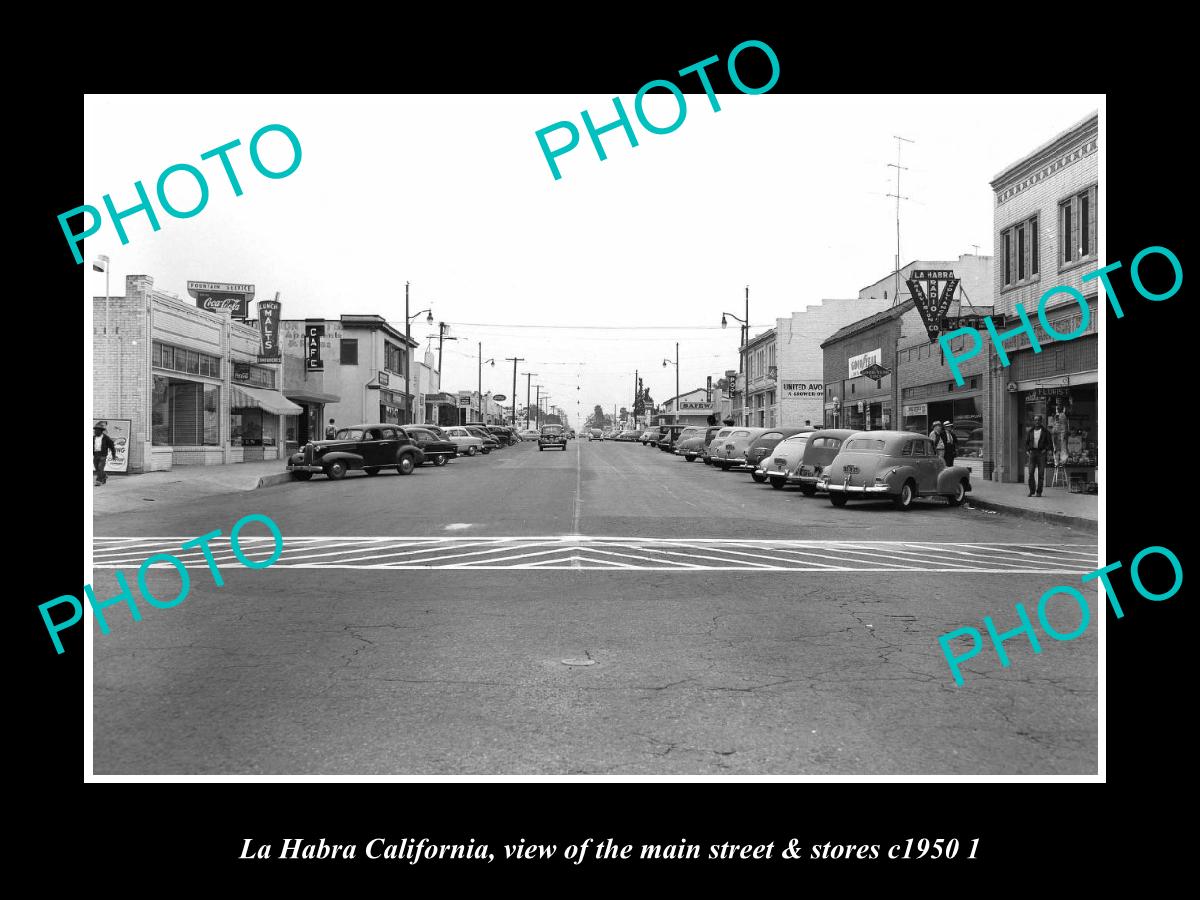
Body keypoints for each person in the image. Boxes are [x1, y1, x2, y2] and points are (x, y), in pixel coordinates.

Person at [1025, 414, 1052, 497]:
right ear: (1034, 421)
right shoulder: (1030, 431)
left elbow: (1050, 443)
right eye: (1035, 420)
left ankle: (1039, 492)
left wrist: (1045, 449)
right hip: (1032, 453)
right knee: (1031, 472)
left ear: (1041, 421)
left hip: (1041, 453)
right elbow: (1026, 443)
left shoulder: (1045, 431)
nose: (1037, 422)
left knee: (1041, 474)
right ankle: (1031, 491)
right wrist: (1027, 450)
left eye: (1038, 420)